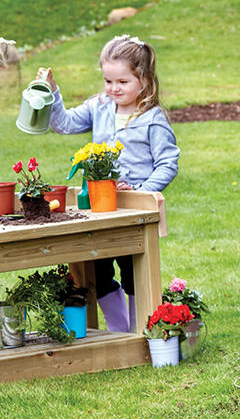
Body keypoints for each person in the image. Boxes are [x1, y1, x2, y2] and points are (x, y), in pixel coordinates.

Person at [37, 34, 180, 333]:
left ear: (144, 80)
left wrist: (141, 192)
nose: (114, 88)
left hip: (134, 211)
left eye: (123, 82)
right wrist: (52, 92)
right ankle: (119, 331)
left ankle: (139, 333)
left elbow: (167, 163)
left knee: (133, 273)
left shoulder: (153, 119)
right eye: (108, 81)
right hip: (100, 207)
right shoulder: (99, 106)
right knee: (98, 272)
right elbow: (63, 124)